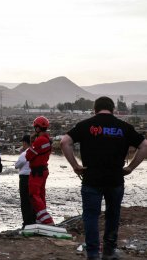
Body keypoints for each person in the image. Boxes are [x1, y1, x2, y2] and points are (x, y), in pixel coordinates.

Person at [60, 96, 147, 260]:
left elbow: (65, 142)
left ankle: (93, 253)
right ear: (113, 109)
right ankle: (109, 251)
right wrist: (130, 167)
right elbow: (144, 145)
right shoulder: (124, 127)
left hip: (91, 178)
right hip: (115, 178)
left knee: (91, 216)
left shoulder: (85, 125)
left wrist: (75, 166)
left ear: (95, 109)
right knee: (113, 215)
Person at [25, 116, 54, 225]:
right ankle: (41, 219)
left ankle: (47, 220)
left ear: (37, 128)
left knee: (34, 195)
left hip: (37, 172)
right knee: (41, 195)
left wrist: (32, 142)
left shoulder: (39, 141)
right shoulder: (47, 139)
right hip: (43, 170)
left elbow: (28, 156)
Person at [15, 134, 36, 228]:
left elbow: (17, 165)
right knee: (33, 199)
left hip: (24, 179)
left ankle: (26, 222)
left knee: (25, 201)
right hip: (34, 177)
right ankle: (33, 220)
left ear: (25, 142)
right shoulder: (35, 151)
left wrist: (21, 153)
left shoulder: (24, 154)